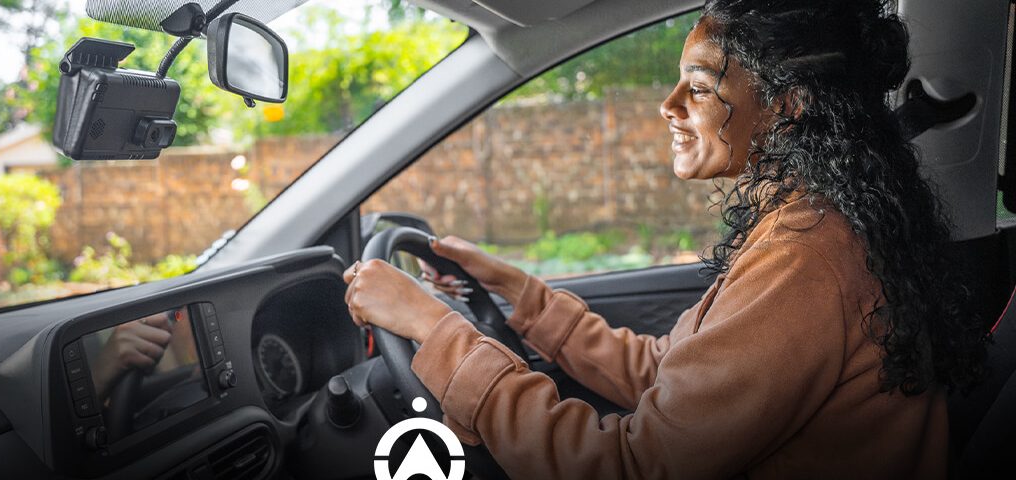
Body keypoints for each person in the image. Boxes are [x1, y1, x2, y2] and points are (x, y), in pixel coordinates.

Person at [340, 0, 990, 477]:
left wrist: (437, 331)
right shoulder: (810, 222)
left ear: (788, 104)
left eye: (701, 86)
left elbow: (632, 466)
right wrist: (524, 296)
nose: (669, 103)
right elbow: (671, 375)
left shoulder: (806, 254)